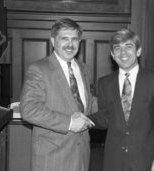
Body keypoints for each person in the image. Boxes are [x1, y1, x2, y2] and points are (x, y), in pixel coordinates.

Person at [89, 28, 154, 171]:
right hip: (114, 159)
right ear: (112, 55)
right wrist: (84, 119)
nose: (123, 53)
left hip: (147, 159)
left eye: (128, 47)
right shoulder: (104, 83)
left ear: (138, 51)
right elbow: (106, 118)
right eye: (117, 48)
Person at [19, 18, 95, 171]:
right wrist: (69, 123)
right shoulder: (39, 69)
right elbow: (29, 109)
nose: (70, 44)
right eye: (64, 38)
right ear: (53, 41)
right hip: (52, 156)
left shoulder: (84, 69)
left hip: (82, 154)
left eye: (74, 39)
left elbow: (87, 103)